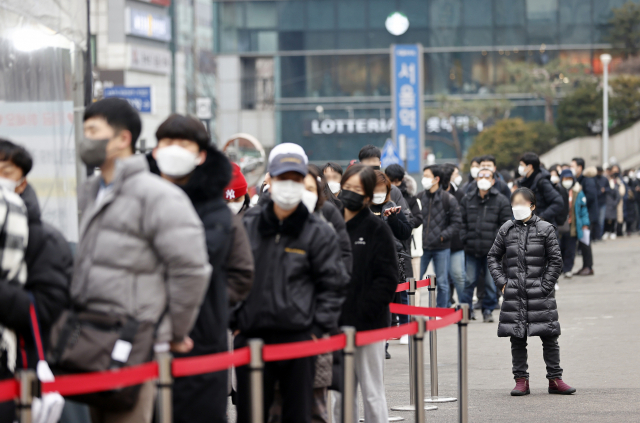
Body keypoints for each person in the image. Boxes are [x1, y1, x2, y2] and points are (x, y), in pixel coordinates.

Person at [74, 98, 211, 423]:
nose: (85, 139)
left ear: (123, 138)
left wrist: (170, 332)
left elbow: (190, 270)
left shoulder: (158, 195)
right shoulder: (88, 192)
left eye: (93, 130)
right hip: (90, 340)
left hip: (134, 343)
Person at [146, 114, 254, 423]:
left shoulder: (218, 213)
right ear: (155, 150)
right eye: (167, 142)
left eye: (184, 143)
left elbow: (241, 273)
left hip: (203, 336)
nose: (174, 150)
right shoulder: (140, 200)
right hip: (143, 335)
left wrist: (209, 300)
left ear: (201, 154)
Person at [234, 143, 348, 423]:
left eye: (296, 179)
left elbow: (333, 285)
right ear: (269, 180)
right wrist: (235, 321)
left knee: (297, 415)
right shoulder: (249, 225)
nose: (289, 185)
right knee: (250, 414)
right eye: (283, 178)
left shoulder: (318, 230)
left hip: (300, 340)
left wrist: (317, 330)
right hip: (251, 338)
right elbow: (230, 275)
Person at [488, 188, 576, 397]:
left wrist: (545, 286)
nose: (517, 206)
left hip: (540, 292)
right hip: (514, 292)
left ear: (533, 206)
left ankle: (555, 379)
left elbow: (556, 261)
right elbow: (493, 257)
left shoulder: (546, 229)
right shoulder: (506, 229)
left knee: (549, 336)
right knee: (517, 337)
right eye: (514, 203)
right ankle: (521, 381)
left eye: (522, 202)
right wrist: (502, 283)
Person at [334, 164, 398, 423]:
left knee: (372, 392)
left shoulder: (377, 229)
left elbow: (387, 278)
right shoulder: (332, 224)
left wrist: (363, 311)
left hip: (369, 325)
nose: (350, 193)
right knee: (340, 394)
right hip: (336, 324)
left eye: (357, 190)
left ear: (369, 196)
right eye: (347, 187)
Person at [0, 142, 59, 423]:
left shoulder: (41, 238)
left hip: (14, 364)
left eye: (5, 171)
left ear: (22, 182)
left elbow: (46, 308)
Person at [459, 168, 511, 322]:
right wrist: (465, 238)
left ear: (493, 180)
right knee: (468, 282)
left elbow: (506, 224)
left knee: (490, 283)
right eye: (480, 176)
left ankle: (488, 310)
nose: (483, 179)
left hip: (492, 251)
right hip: (471, 248)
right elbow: (461, 222)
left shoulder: (501, 200)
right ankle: (466, 311)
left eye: (487, 176)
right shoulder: (467, 199)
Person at [371, 170, 412, 357]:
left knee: (387, 306)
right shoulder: (361, 208)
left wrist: (394, 218)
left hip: (389, 263)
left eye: (382, 189)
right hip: (367, 263)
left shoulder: (392, 206)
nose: (378, 192)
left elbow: (405, 232)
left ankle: (383, 344)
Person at [417, 165, 462, 307]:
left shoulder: (448, 199)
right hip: (422, 247)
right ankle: (411, 311)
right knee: (415, 281)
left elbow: (456, 223)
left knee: (442, 282)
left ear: (436, 179)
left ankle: (441, 311)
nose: (424, 179)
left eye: (427, 176)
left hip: (441, 247)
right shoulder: (419, 197)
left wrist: (443, 236)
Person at [358, 145, 411, 217]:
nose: (371, 164)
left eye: (374, 161)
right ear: (360, 164)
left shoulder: (392, 190)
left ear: (380, 163)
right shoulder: (355, 188)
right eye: (367, 161)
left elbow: (406, 217)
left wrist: (393, 221)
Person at [557, 169, 591, 281]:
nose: (567, 181)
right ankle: (559, 269)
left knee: (570, 249)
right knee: (558, 248)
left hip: (573, 225)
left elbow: (583, 209)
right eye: (565, 179)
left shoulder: (578, 191)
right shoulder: (556, 190)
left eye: (570, 179)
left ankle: (568, 270)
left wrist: (585, 223)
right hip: (559, 225)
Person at [517, 152, 564, 224]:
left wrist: (541, 217)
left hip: (544, 229)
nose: (520, 168)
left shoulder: (542, 182)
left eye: (522, 165)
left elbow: (558, 202)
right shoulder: (524, 182)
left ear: (529, 167)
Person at [571, 158, 599, 243]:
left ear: (579, 168)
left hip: (587, 214)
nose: (571, 168)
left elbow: (590, 196)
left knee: (585, 242)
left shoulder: (587, 180)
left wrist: (580, 203)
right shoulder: (576, 180)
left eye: (572, 166)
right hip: (580, 214)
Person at [594, 166, 609, 240]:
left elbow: (608, 188)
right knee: (596, 219)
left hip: (602, 202)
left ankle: (599, 235)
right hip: (596, 202)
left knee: (601, 220)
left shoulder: (605, 179)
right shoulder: (594, 179)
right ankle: (596, 235)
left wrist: (604, 189)